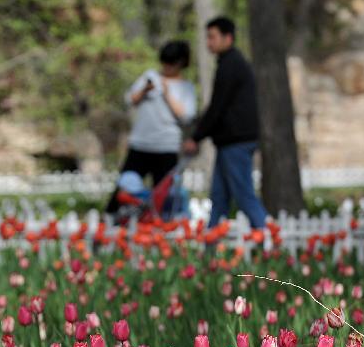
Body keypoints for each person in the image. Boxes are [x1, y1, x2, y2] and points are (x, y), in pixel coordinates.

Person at [182, 17, 269, 230]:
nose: (208, 43)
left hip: (236, 142)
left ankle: (270, 243)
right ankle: (210, 249)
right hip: (227, 142)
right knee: (218, 198)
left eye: (212, 37)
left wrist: (196, 136)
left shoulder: (231, 65)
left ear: (227, 38)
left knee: (244, 195)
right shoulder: (228, 64)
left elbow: (217, 107)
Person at [106, 41, 196, 215]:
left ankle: (159, 229)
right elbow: (130, 100)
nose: (166, 68)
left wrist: (167, 93)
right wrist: (145, 90)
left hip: (166, 147)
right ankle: (112, 223)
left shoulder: (186, 87)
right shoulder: (150, 76)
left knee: (164, 198)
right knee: (123, 191)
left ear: (180, 63)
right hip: (141, 144)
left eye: (170, 64)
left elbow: (186, 116)